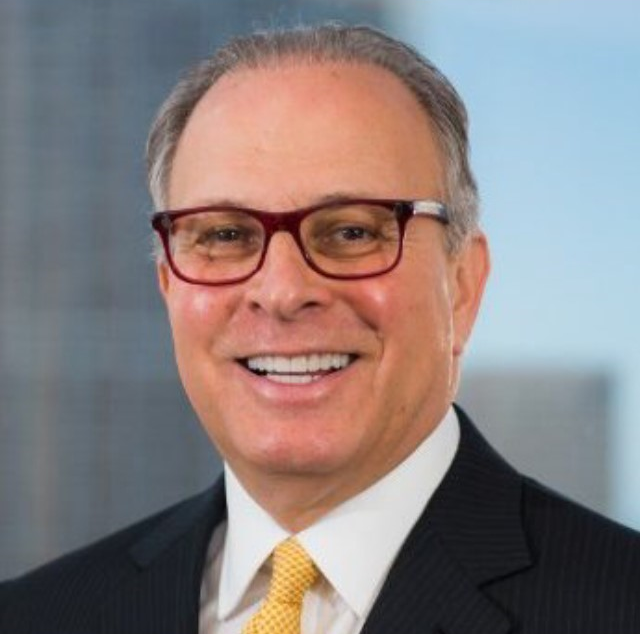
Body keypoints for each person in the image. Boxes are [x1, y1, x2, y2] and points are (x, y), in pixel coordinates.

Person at [1, 23, 638, 634]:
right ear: (169, 285)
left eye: (352, 232)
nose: (282, 292)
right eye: (225, 235)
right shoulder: (33, 618)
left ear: (463, 285)